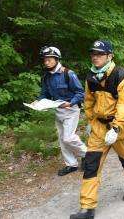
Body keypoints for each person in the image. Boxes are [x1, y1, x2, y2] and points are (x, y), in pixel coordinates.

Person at [70, 40, 124, 219]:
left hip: (120, 128)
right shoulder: (91, 78)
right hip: (99, 129)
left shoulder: (121, 78)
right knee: (91, 165)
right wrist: (91, 121)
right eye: (93, 54)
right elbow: (88, 102)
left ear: (109, 56)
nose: (95, 57)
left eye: (99, 54)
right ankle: (87, 208)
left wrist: (116, 128)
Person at [35, 46, 86, 176]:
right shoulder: (46, 77)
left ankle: (87, 154)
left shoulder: (68, 73)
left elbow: (80, 93)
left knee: (68, 138)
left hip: (71, 109)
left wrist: (71, 102)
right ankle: (71, 164)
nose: (46, 62)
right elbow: (44, 94)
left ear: (57, 59)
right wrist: (38, 102)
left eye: (49, 59)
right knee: (62, 140)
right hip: (58, 110)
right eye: (45, 60)